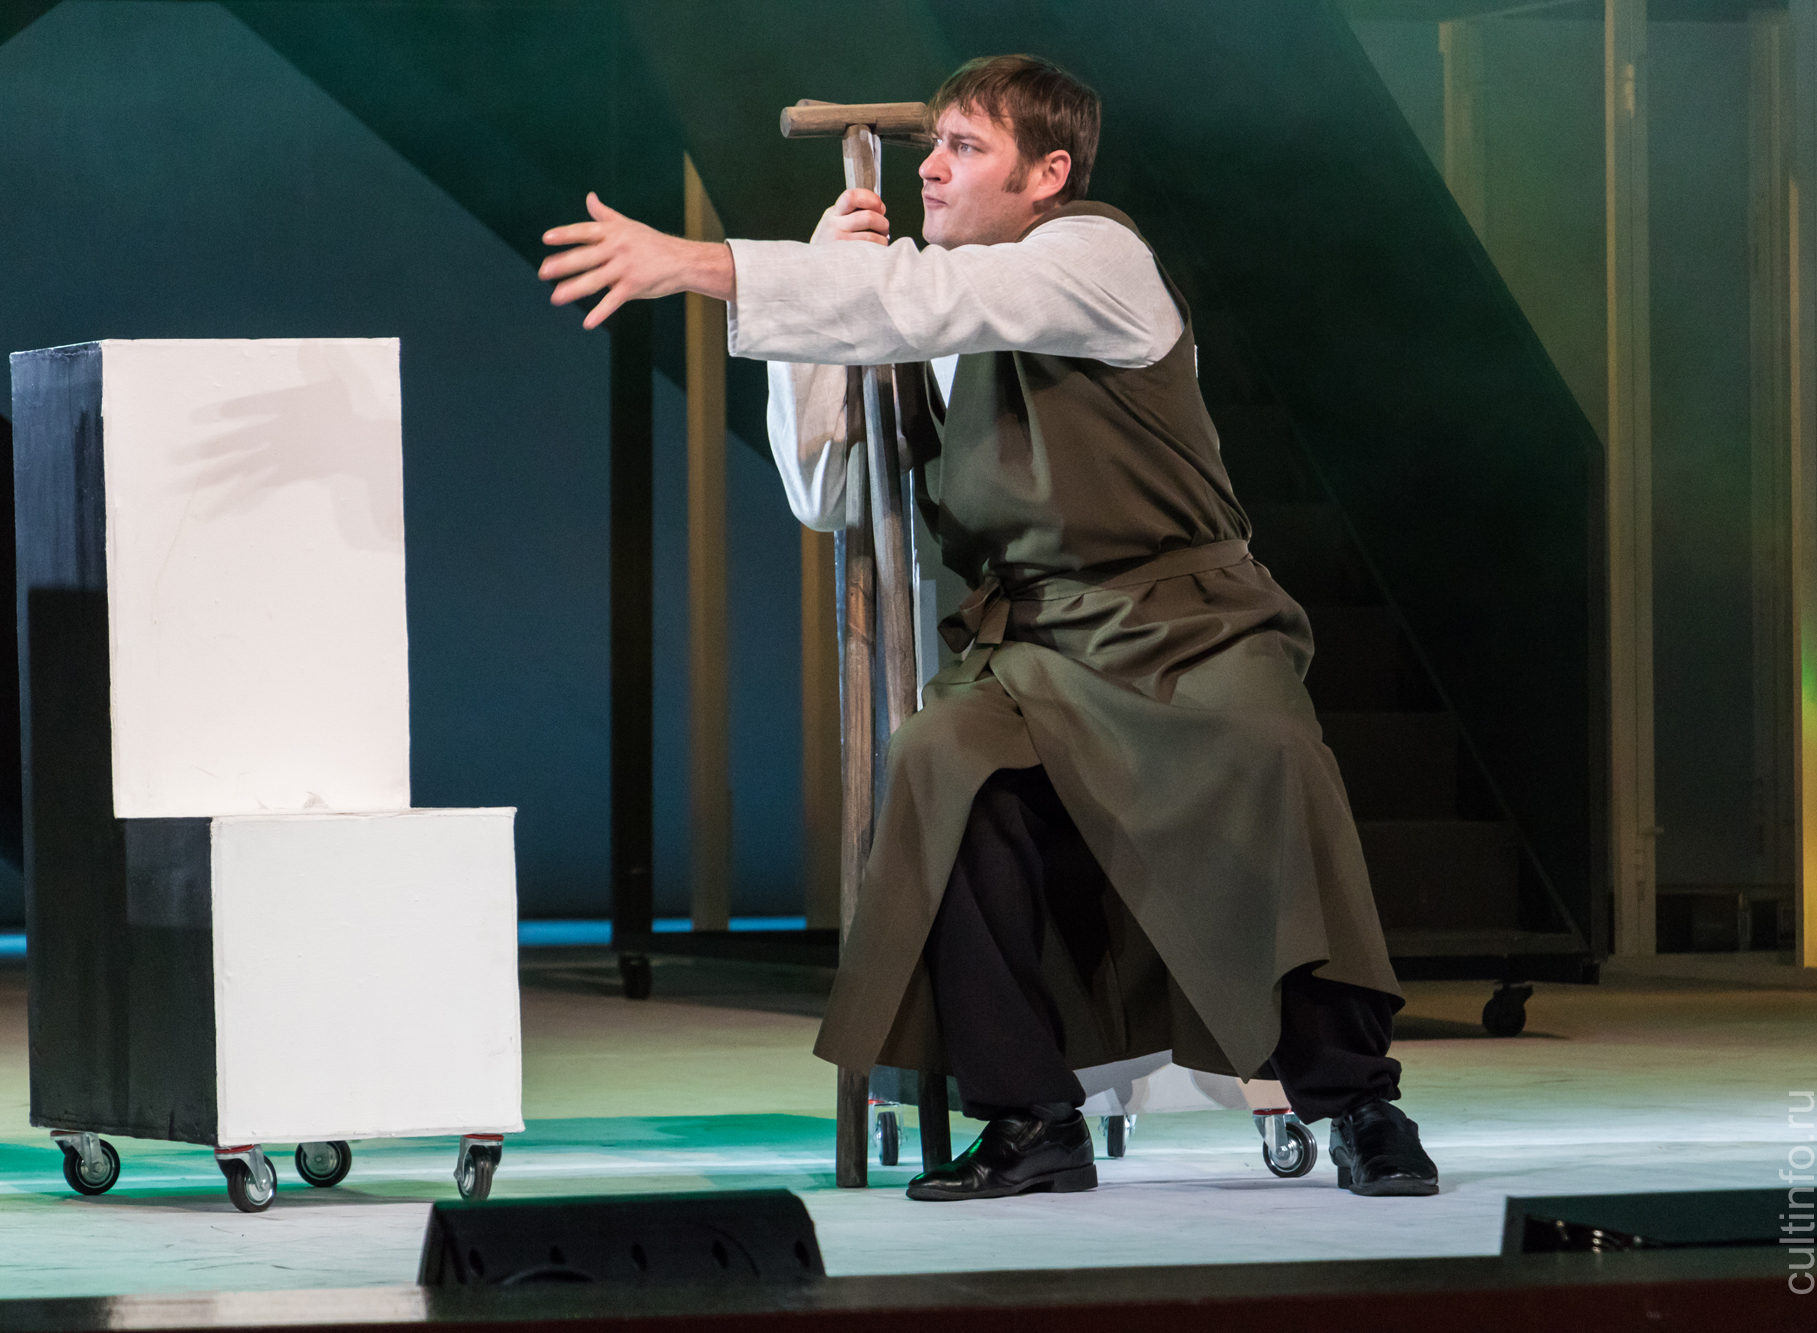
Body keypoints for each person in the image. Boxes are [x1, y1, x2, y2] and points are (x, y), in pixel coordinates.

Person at [539, 54, 1439, 1202]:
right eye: (932, 147)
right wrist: (818, 299)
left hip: (1185, 623)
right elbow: (825, 490)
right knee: (941, 759)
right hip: (1032, 642)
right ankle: (1028, 1117)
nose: (932, 169)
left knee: (1270, 758)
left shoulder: (1093, 259)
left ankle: (1358, 1101)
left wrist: (705, 264)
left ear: (1046, 174)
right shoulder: (932, 307)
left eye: (965, 148)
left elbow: (926, 298)